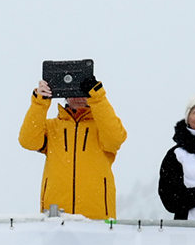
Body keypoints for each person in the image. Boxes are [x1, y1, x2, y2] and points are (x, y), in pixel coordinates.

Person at [18, 70, 128, 217]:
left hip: (97, 218)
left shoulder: (102, 128)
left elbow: (115, 140)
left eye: (83, 91)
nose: (79, 96)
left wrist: (97, 97)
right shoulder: (52, 127)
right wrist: (40, 101)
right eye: (74, 90)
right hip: (56, 216)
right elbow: (28, 141)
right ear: (65, 94)